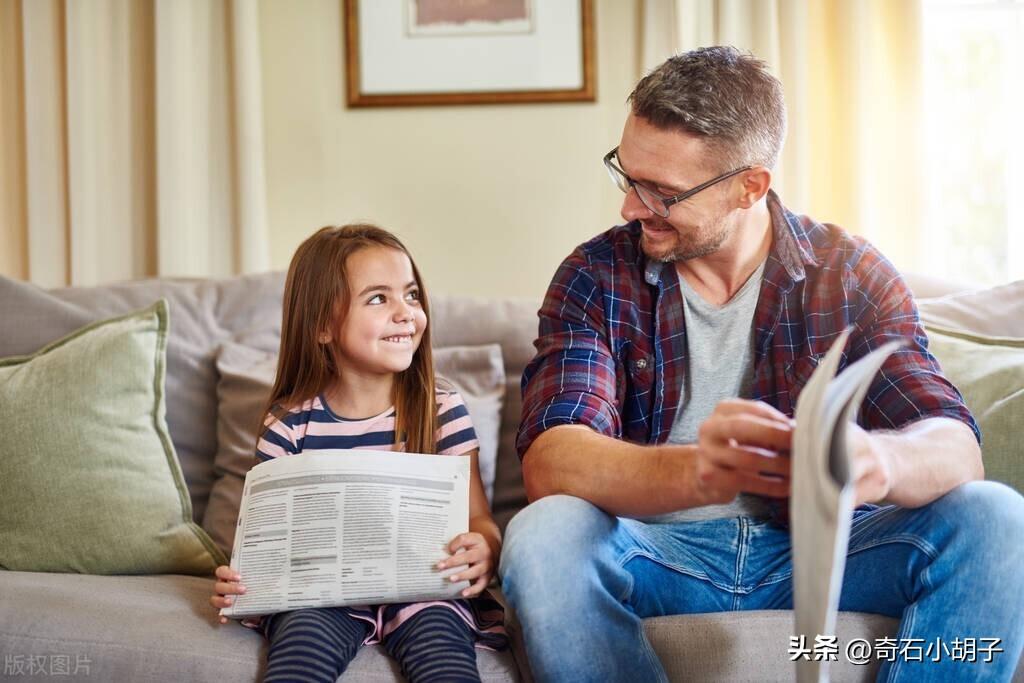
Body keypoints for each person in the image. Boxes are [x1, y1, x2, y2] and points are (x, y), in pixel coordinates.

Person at [499, 46, 1024, 682]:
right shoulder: (597, 275)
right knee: (544, 533)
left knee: (999, 517)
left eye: (661, 192)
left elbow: (954, 446)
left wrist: (878, 461)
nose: (630, 208)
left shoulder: (850, 273)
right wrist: (702, 470)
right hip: (657, 554)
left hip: (830, 553)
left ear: (751, 185)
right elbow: (554, 459)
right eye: (626, 174)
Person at [209, 225, 506, 683]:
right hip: (321, 596)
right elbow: (265, 544)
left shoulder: (442, 409)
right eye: (377, 298)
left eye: (410, 294)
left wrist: (485, 548)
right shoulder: (289, 424)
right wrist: (241, 580)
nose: (405, 313)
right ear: (323, 326)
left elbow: (479, 520)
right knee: (296, 660)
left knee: (445, 659)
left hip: (425, 589)